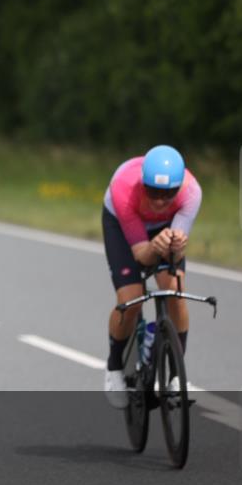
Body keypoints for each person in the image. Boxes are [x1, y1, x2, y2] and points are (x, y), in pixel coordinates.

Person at [102, 145, 202, 407]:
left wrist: (175, 246)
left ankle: (176, 377)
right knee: (131, 297)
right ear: (143, 183)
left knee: (175, 290)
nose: (159, 200)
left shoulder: (191, 192)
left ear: (179, 188)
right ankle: (113, 368)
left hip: (165, 225)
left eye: (167, 194)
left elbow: (174, 248)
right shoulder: (124, 187)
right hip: (123, 224)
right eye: (153, 192)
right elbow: (141, 256)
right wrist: (153, 247)